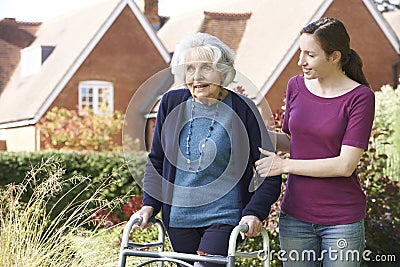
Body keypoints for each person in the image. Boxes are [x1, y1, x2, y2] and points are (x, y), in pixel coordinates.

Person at [132, 32, 282, 266]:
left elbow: (270, 170)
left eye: (206, 68)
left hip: (224, 217)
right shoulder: (171, 103)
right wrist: (149, 205)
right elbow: (157, 161)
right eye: (190, 68)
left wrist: (255, 211)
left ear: (223, 72)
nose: (196, 76)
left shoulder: (243, 109)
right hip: (179, 220)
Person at [255, 17, 375, 266]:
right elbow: (293, 141)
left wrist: (285, 166)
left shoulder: (360, 98)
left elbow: (345, 165)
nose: (301, 61)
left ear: (334, 56)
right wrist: (250, 132)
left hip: (341, 221)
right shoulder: (295, 86)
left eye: (310, 54)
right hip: (295, 217)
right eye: (301, 52)